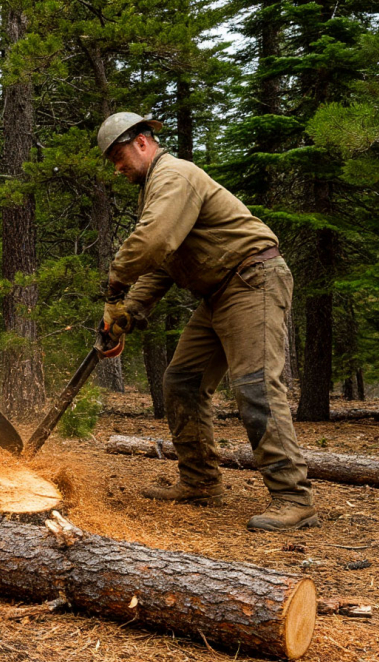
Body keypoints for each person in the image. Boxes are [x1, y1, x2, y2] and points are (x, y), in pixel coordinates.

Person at [97, 111, 317, 531]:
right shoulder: (156, 188)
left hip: (252, 280)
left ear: (141, 142)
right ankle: (200, 482)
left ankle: (294, 497)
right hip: (219, 293)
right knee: (182, 381)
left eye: (118, 157)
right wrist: (128, 312)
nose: (117, 168)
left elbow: (152, 242)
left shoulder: (173, 175)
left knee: (256, 387)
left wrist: (115, 286)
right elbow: (164, 262)